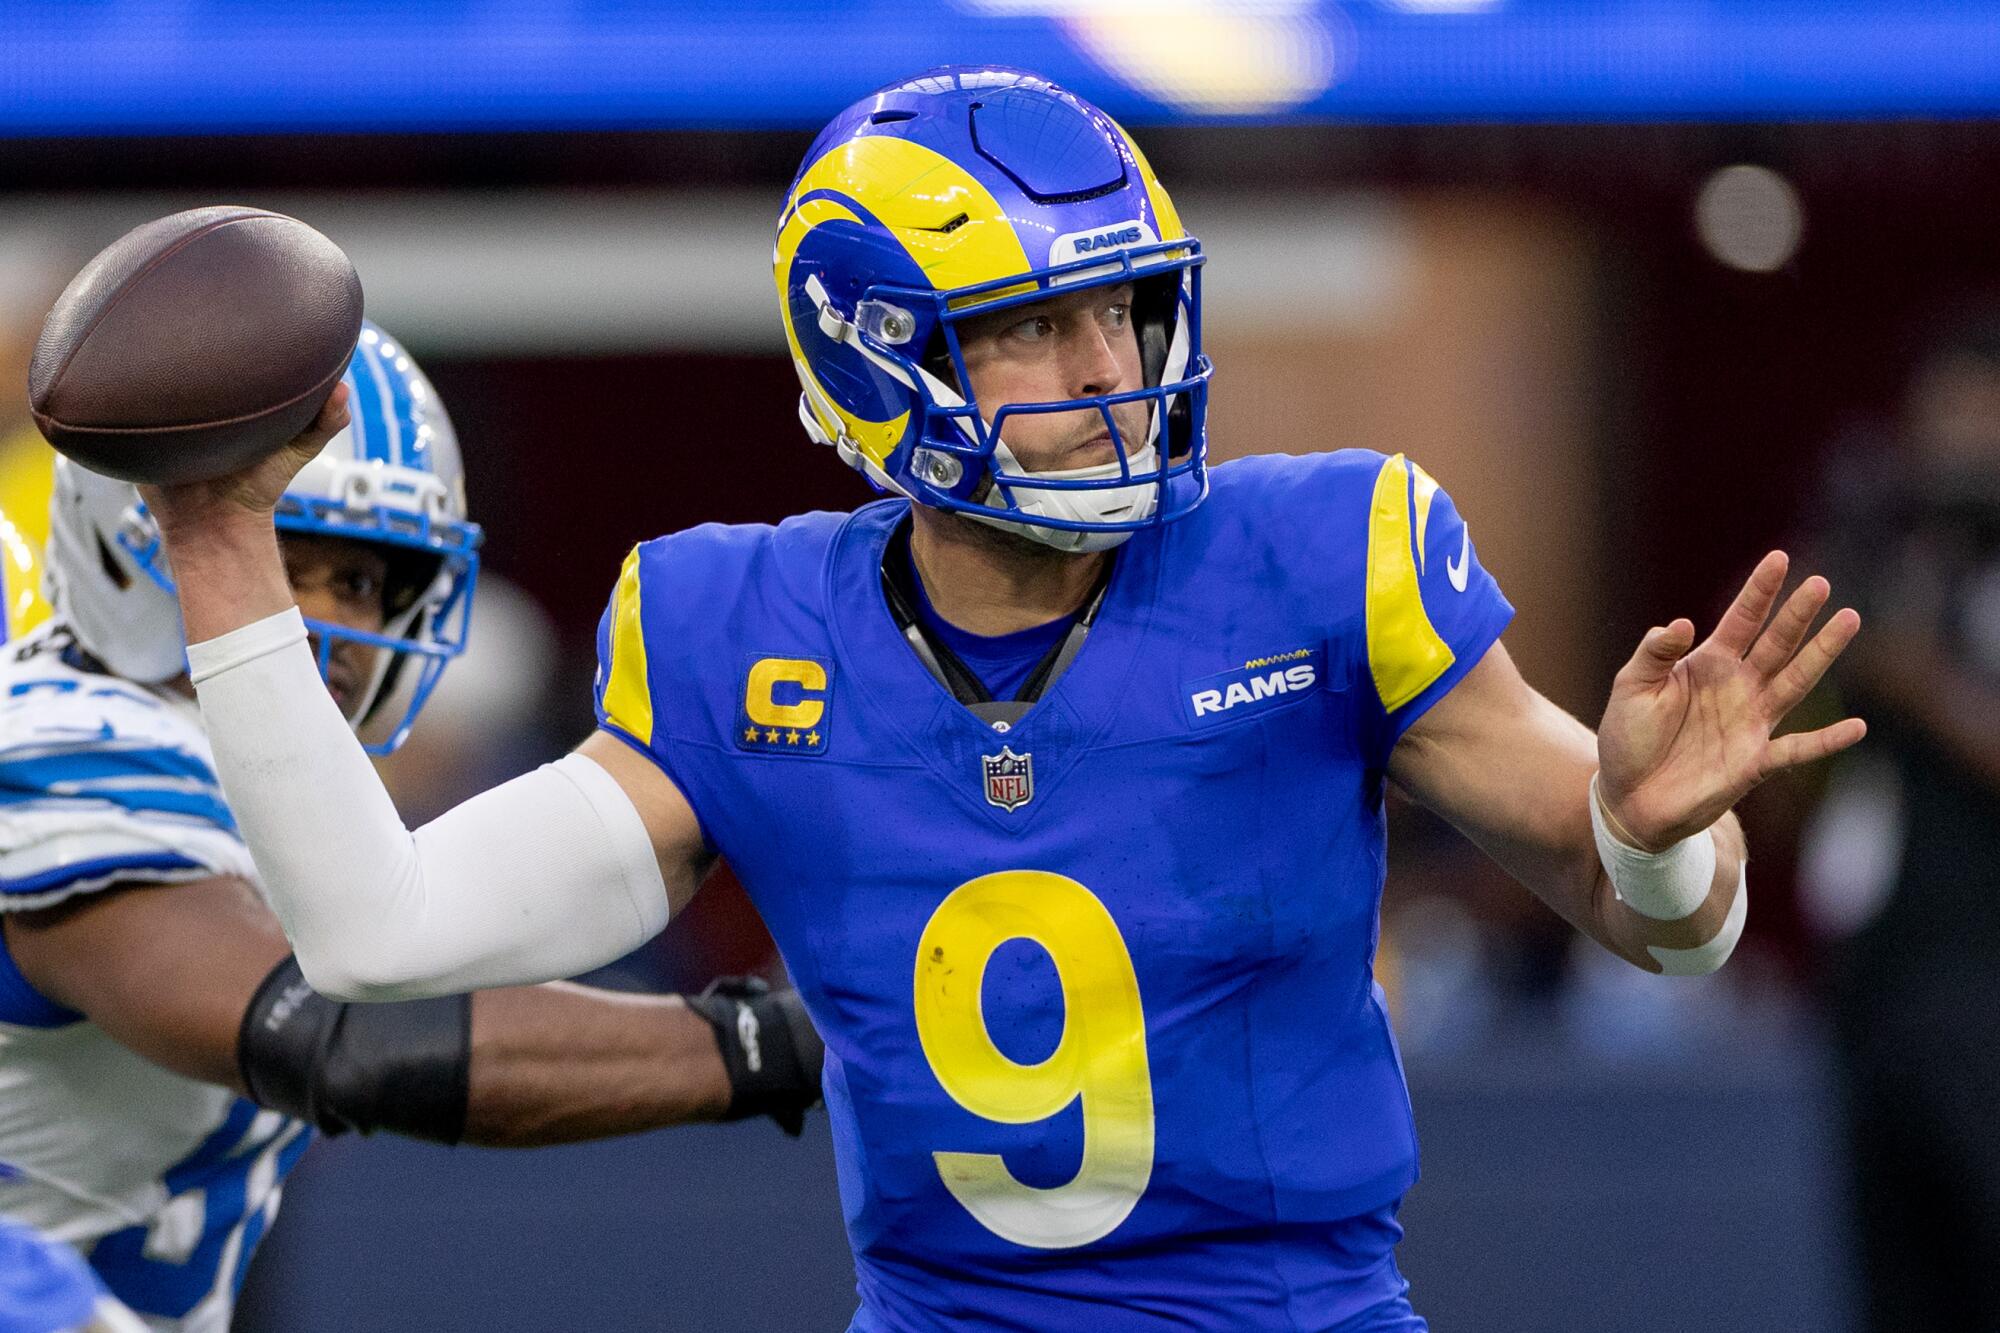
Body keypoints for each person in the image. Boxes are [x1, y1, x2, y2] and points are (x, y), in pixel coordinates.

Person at [140, 69, 1863, 1331]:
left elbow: (1679, 937)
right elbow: (376, 928)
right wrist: (220, 538)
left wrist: (1646, 834)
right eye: (1037, 328)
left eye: (1125, 308)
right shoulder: (739, 625)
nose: (1111, 366)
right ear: (875, 353)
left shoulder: (1319, 555)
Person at [0, 324, 821, 1333]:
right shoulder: (64, 746)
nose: (322, 622)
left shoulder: (257, 803)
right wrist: (791, 1040)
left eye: (358, 582)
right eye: (282, 559)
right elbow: (337, 1036)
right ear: (132, 542)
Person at [1800, 311, 2000, 1332]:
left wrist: (1917, 677)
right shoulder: (1892, 561)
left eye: (1976, 409)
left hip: (1986, 986)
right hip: (1879, 992)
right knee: (1896, 1284)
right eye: (1939, 410)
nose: (1952, 436)